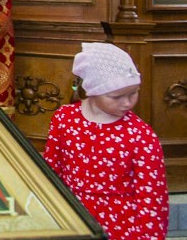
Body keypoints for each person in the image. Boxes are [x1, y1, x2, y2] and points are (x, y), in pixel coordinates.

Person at [44, 43, 169, 240]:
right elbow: (51, 170)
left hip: (122, 226)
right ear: (92, 90)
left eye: (134, 93)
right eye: (116, 96)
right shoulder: (64, 119)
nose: (127, 102)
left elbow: (152, 197)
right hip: (72, 218)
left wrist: (149, 236)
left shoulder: (140, 134)